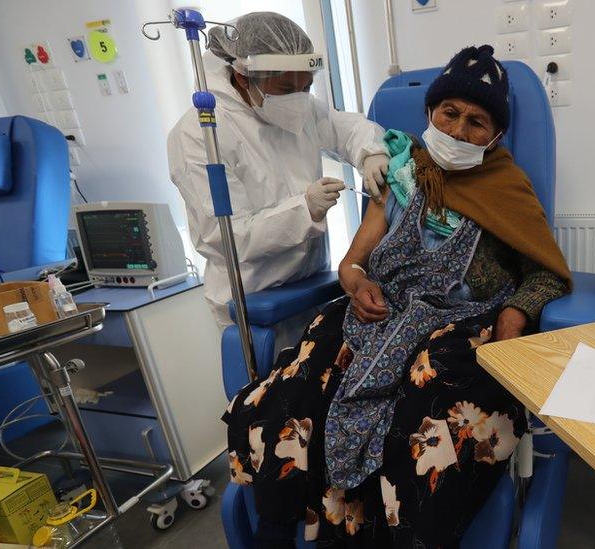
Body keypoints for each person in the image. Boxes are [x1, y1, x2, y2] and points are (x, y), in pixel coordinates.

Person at [224, 45, 571, 548]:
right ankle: (278, 528)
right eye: (449, 113)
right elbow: (353, 261)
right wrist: (357, 283)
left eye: (477, 122)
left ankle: (398, 538)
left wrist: (516, 313)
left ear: (495, 135)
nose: (457, 130)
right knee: (293, 393)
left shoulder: (508, 190)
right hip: (377, 309)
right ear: (430, 113)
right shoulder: (400, 174)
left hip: (460, 321)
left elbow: (546, 272)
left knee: (423, 419)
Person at [167, 12, 390, 326]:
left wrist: (372, 153)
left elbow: (347, 129)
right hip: (256, 302)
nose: (299, 99)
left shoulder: (301, 107)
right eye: (286, 88)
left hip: (313, 287)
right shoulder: (201, 135)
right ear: (244, 76)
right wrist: (304, 209)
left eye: (307, 86)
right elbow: (227, 237)